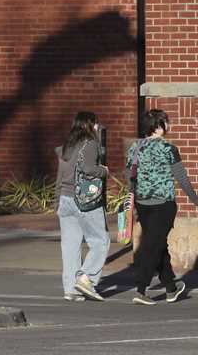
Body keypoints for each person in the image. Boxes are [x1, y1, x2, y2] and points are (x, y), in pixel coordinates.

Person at [126, 108, 198, 305]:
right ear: (159, 127)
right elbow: (181, 177)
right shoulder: (169, 149)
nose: (169, 125)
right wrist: (196, 200)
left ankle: (170, 287)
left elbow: (131, 176)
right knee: (153, 246)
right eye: (166, 122)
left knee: (158, 244)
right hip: (164, 205)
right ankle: (141, 289)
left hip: (143, 203)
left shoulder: (135, 148)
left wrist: (132, 201)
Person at [55, 110, 110, 302]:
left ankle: (71, 289)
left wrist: (57, 201)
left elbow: (60, 175)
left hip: (65, 199)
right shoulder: (91, 144)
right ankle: (87, 278)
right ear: (90, 125)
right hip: (85, 200)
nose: (97, 127)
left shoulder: (67, 146)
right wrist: (103, 171)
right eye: (95, 123)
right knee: (100, 241)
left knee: (70, 246)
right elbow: (88, 169)